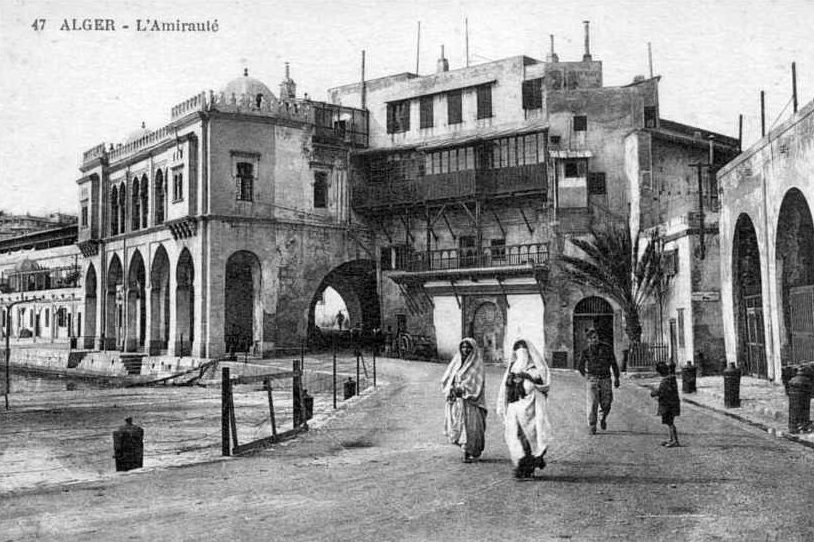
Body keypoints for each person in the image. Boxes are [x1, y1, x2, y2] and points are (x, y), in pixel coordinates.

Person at [497, 338, 552, 479]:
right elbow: (506, 389)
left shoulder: (534, 368)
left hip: (531, 410)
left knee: (530, 438)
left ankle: (528, 467)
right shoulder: (512, 368)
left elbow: (541, 383)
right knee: (517, 437)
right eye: (517, 348)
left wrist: (525, 376)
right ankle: (521, 466)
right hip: (515, 408)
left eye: (523, 349)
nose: (521, 352)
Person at [441, 338, 487, 463]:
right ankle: (465, 450)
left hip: (472, 402)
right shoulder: (456, 362)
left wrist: (463, 389)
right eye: (463, 347)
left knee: (472, 426)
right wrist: (451, 388)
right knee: (461, 425)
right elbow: (447, 377)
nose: (465, 350)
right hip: (459, 400)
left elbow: (477, 384)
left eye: (468, 348)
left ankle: (471, 450)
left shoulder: (478, 364)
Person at [577, 325, 620, 434]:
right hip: (592, 379)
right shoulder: (586, 351)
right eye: (591, 338)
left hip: (606, 379)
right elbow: (580, 366)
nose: (594, 340)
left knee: (607, 403)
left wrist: (617, 378)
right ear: (588, 340)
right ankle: (592, 425)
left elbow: (614, 363)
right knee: (592, 404)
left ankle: (603, 417)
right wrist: (586, 376)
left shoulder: (607, 348)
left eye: (595, 337)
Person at [651, 361, 681, 447]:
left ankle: (675, 440)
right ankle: (672, 439)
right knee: (669, 422)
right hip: (671, 404)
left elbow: (661, 391)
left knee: (670, 423)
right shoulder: (670, 379)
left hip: (668, 405)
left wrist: (654, 392)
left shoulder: (666, 380)